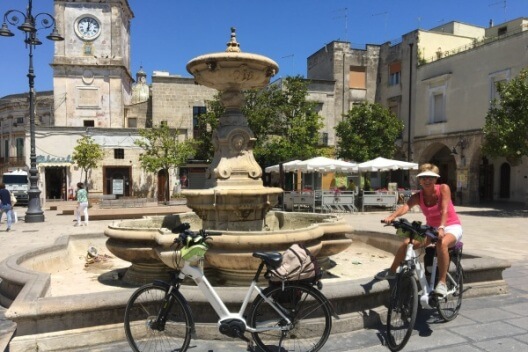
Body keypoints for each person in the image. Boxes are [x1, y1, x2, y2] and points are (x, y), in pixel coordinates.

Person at [375, 163, 463, 297]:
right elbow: (406, 207)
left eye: (430, 178)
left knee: (442, 243)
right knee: (407, 243)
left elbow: (444, 209)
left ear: (435, 179)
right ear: (420, 180)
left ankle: (442, 283)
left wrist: (441, 227)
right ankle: (392, 272)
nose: (427, 180)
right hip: (431, 229)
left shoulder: (443, 188)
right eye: (423, 178)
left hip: (450, 226)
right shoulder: (418, 196)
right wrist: (392, 217)